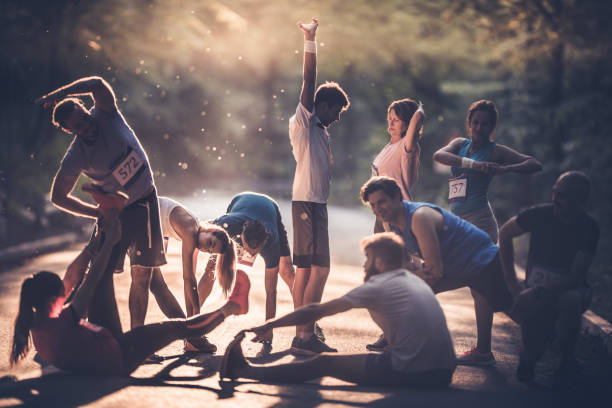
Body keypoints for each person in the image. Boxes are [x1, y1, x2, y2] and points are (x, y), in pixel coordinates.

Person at [9, 213, 250, 376]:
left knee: (98, 278)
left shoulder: (34, 326)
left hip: (99, 349)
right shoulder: (63, 320)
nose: (66, 291)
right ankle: (232, 307)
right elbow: (91, 281)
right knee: (178, 328)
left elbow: (79, 282)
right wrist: (108, 242)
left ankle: (111, 229)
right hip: (121, 354)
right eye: (61, 292)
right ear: (51, 300)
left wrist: (99, 242)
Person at [219, 232, 456, 388]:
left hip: (417, 372)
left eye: (368, 259)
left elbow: (315, 311)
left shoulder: (379, 285)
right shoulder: (411, 279)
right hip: (444, 371)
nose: (364, 265)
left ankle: (243, 370)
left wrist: (271, 324)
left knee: (324, 363)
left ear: (381, 263)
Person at [37, 76, 166, 334]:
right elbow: (58, 197)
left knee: (142, 275)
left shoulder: (106, 114)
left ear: (87, 110)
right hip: (114, 213)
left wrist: (57, 94)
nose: (86, 125)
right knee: (95, 269)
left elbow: (96, 82)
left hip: (144, 202)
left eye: (84, 117)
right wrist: (95, 212)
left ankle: (136, 336)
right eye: (78, 125)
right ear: (69, 130)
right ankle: (65, 323)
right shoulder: (76, 156)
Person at [433, 99, 542, 365]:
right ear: (469, 123)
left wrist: (506, 169)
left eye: (485, 124)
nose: (479, 128)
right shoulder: (460, 145)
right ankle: (519, 316)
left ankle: (484, 351)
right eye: (476, 122)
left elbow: (534, 164)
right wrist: (472, 165)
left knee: (476, 288)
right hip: (456, 226)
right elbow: (439, 156)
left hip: (481, 224)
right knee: (436, 274)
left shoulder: (496, 151)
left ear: (492, 127)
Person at [63, 195, 237, 353]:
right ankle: (134, 344)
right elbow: (188, 278)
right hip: (140, 216)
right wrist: (197, 319)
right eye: (210, 243)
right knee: (123, 276)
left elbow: (189, 285)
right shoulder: (191, 229)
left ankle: (190, 336)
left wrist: (193, 321)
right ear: (210, 230)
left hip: (151, 227)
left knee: (157, 285)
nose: (206, 248)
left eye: (209, 250)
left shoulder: (196, 236)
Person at [360, 177, 513, 356]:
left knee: (515, 311)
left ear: (397, 197)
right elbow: (405, 262)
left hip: (483, 260)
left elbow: (434, 271)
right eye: (372, 205)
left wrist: (407, 278)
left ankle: (492, 350)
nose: (378, 209)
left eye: (382, 202)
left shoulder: (419, 217)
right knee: (401, 287)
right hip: (456, 266)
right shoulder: (389, 222)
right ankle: (399, 339)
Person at [499, 171, 599, 385]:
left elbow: (575, 277)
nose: (555, 198)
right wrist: (511, 281)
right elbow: (505, 233)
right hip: (533, 289)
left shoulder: (589, 228)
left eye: (562, 195)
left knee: (570, 301)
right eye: (554, 192)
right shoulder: (538, 214)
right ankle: (531, 356)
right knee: (532, 350)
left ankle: (566, 359)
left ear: (579, 200)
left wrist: (536, 292)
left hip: (568, 290)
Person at [288, 18, 350, 355]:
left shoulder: (321, 132)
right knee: (319, 269)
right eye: (336, 110)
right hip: (307, 204)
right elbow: (308, 79)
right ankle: (304, 335)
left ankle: (303, 334)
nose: (338, 116)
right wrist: (310, 39)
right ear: (321, 105)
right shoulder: (305, 122)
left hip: (314, 205)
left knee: (308, 270)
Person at [207, 192, 295, 352]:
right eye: (248, 248)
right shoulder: (227, 224)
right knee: (211, 265)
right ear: (241, 236)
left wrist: (269, 328)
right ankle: (193, 319)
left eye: (256, 252)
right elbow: (201, 229)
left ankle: (307, 317)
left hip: (271, 209)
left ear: (265, 241)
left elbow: (271, 292)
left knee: (287, 271)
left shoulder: (272, 242)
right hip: (239, 200)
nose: (252, 254)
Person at [371, 99, 424, 204]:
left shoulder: (406, 145)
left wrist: (420, 107)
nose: (391, 123)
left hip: (397, 209)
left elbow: (418, 116)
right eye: (390, 118)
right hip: (382, 211)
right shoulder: (387, 148)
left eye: (396, 120)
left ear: (407, 123)